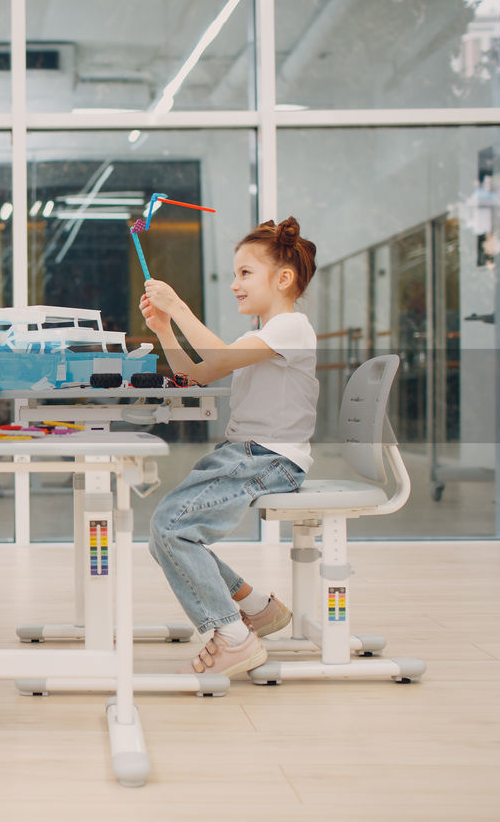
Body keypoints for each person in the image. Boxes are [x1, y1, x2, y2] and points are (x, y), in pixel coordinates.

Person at [139, 216, 318, 677]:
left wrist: (177, 305)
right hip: (247, 454)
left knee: (172, 528)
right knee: (167, 537)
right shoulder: (263, 334)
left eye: (245, 273)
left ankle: (234, 636)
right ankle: (257, 607)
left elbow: (215, 359)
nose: (235, 284)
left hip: (268, 458)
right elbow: (199, 373)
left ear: (283, 278)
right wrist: (164, 329)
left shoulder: (291, 327)